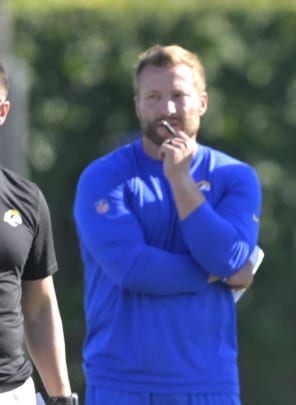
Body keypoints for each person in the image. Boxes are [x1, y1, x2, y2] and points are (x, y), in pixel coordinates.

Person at [73, 45, 262, 405]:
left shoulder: (235, 176)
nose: (167, 109)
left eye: (179, 96)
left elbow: (229, 258)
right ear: (137, 104)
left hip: (211, 384)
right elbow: (134, 269)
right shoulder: (103, 178)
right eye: (154, 97)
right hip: (121, 384)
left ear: (202, 102)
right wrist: (216, 273)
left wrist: (179, 180)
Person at [0, 61, 77, 404]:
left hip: (13, 392)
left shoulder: (25, 199)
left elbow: (39, 307)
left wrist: (61, 397)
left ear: (2, 112)